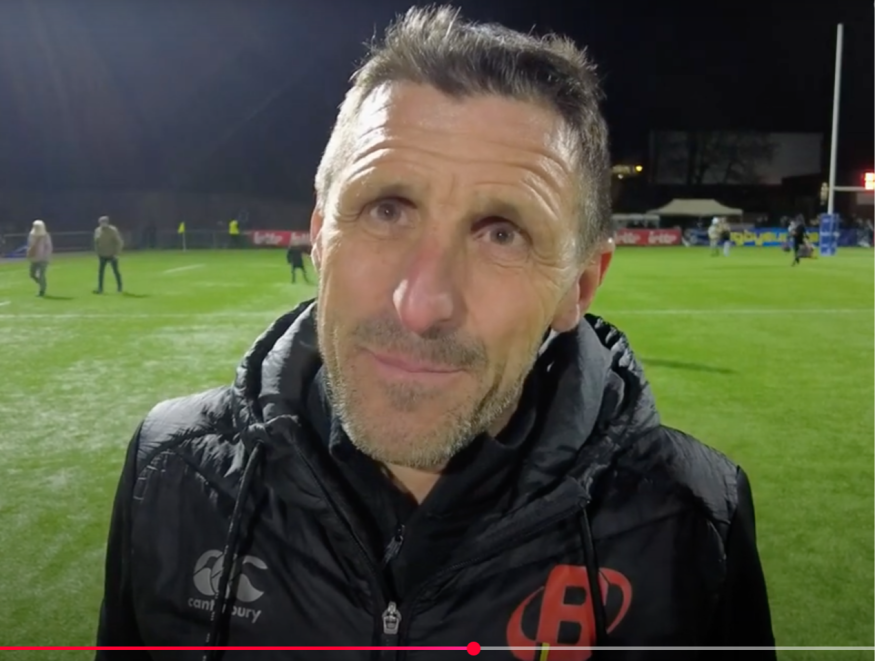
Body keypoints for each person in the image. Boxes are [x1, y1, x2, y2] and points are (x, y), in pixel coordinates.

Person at [95, 7, 775, 659]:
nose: (420, 306)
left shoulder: (690, 524)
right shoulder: (172, 472)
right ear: (319, 235)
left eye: (501, 234)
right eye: (386, 210)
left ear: (579, 285)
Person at [94, 215, 124, 294]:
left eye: (104, 222)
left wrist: (116, 253)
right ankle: (100, 288)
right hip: (102, 254)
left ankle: (119, 287)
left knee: (116, 271)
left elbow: (119, 242)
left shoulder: (113, 230)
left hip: (112, 254)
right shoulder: (97, 230)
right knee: (101, 272)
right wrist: (97, 252)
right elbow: (96, 242)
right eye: (101, 222)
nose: (102, 223)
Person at [26, 219, 52, 297]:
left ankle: (42, 290)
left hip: (43, 259)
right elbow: (30, 245)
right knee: (32, 274)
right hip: (34, 258)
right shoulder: (31, 235)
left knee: (41, 275)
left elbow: (48, 247)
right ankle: (41, 283)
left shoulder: (45, 236)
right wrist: (29, 252)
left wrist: (45, 256)